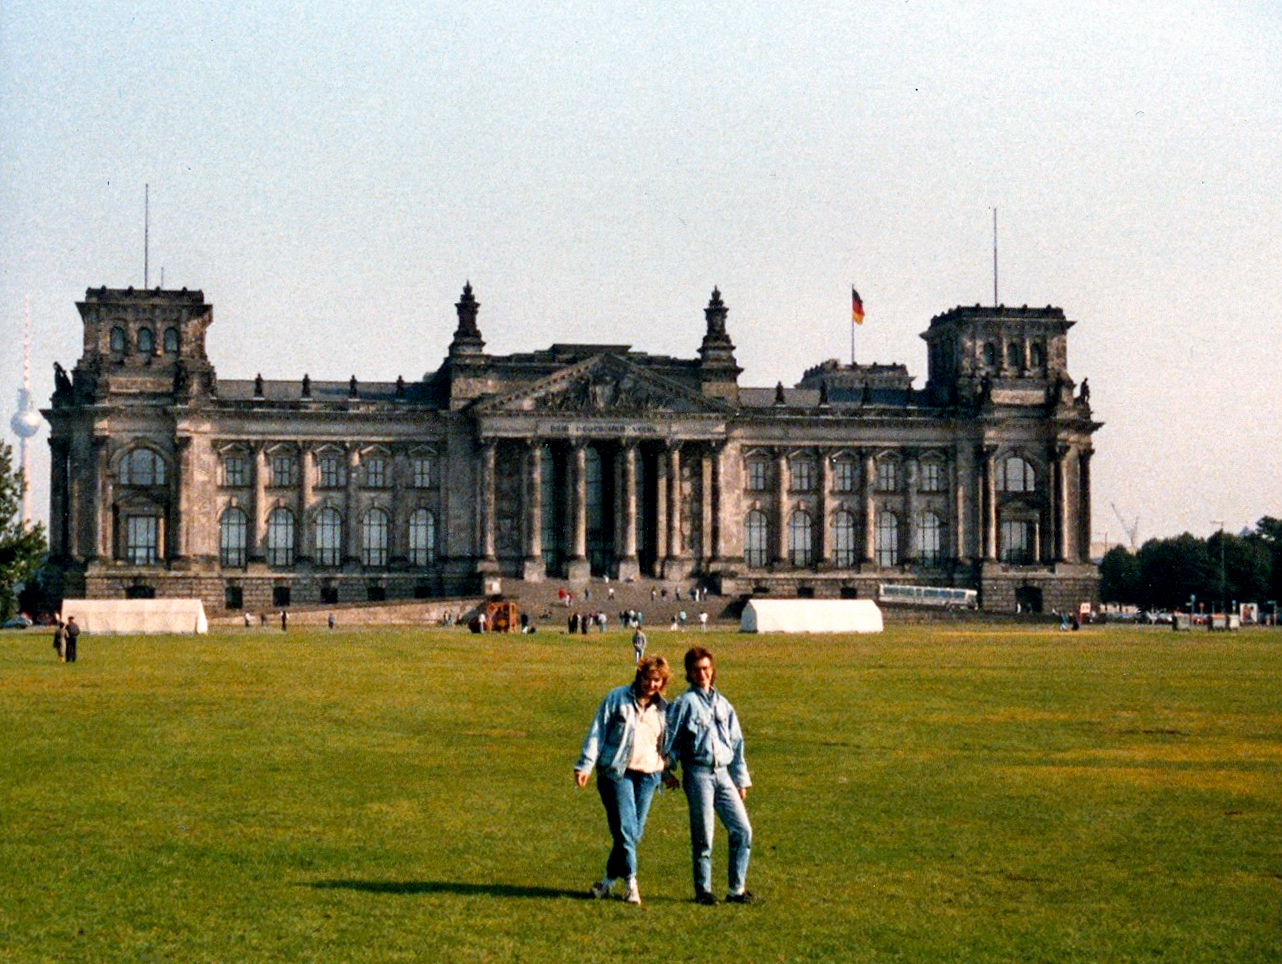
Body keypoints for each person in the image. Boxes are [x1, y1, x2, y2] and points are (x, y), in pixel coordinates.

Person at [574, 655, 673, 905]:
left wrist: (667, 771)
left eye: (657, 680)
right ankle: (631, 883)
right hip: (617, 773)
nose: (651, 684)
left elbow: (666, 744)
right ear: (639, 676)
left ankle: (606, 882)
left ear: (663, 683)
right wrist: (585, 764)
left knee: (631, 834)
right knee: (627, 830)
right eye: (648, 678)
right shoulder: (616, 698)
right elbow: (597, 731)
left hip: (649, 775)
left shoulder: (664, 709)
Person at [664, 646, 754, 905]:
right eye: (696, 670)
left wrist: (741, 780)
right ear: (689, 674)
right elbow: (671, 740)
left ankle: (736, 889)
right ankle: (703, 890)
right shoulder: (684, 704)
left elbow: (736, 744)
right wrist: (665, 771)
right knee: (704, 834)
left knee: (742, 830)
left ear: (712, 670)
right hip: (698, 774)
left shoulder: (724, 704)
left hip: (723, 774)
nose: (702, 674)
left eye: (706, 668)